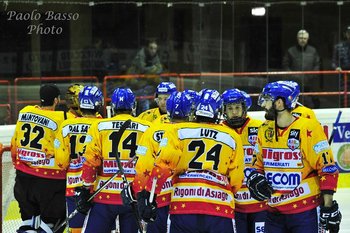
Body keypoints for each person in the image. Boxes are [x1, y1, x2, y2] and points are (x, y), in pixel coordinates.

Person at [137, 89, 245, 233]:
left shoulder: (177, 131)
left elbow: (164, 165)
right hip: (219, 208)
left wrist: (149, 193)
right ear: (218, 110)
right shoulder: (232, 137)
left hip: (183, 206)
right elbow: (236, 180)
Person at [246, 81, 342, 233]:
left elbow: (327, 168)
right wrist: (255, 178)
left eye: (267, 99)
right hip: (273, 212)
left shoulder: (308, 128)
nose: (263, 105)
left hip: (305, 211)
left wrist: (327, 207)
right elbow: (256, 165)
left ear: (279, 102)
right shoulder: (264, 130)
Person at [76, 87, 152, 233]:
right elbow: (148, 163)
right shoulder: (147, 128)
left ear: (113, 106)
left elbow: (91, 162)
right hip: (132, 196)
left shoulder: (98, 126)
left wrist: (85, 189)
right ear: (133, 106)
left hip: (103, 196)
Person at [122, 91, 193, 233]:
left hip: (159, 196)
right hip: (191, 199)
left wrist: (137, 190)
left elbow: (143, 166)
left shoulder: (152, 130)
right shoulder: (198, 132)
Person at [11, 84, 66, 233]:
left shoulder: (24, 112)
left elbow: (14, 145)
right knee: (51, 224)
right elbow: (64, 150)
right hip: (50, 182)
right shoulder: (61, 118)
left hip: (23, 180)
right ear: (56, 100)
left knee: (29, 223)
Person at [54, 85, 103, 233]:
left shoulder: (66, 126)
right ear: (98, 104)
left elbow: (61, 163)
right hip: (98, 188)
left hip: (74, 187)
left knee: (75, 230)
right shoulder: (103, 126)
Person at [221, 89, 266, 233]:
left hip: (261, 204)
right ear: (224, 110)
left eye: (237, 108)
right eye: (230, 108)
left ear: (244, 108)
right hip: (233, 205)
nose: (234, 112)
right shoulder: (219, 131)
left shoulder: (261, 127)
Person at [282, 29, 321, 107]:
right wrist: (295, 76)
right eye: (301, 38)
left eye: (304, 38)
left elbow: (317, 65)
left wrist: (310, 76)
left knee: (311, 105)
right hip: (294, 84)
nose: (302, 40)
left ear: (307, 39)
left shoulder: (313, 51)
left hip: (310, 83)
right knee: (294, 106)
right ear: (297, 39)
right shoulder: (290, 51)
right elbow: (285, 66)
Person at [332, 26, 350, 107]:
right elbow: (334, 62)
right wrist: (337, 67)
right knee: (344, 98)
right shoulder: (338, 46)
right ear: (346, 34)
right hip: (343, 76)